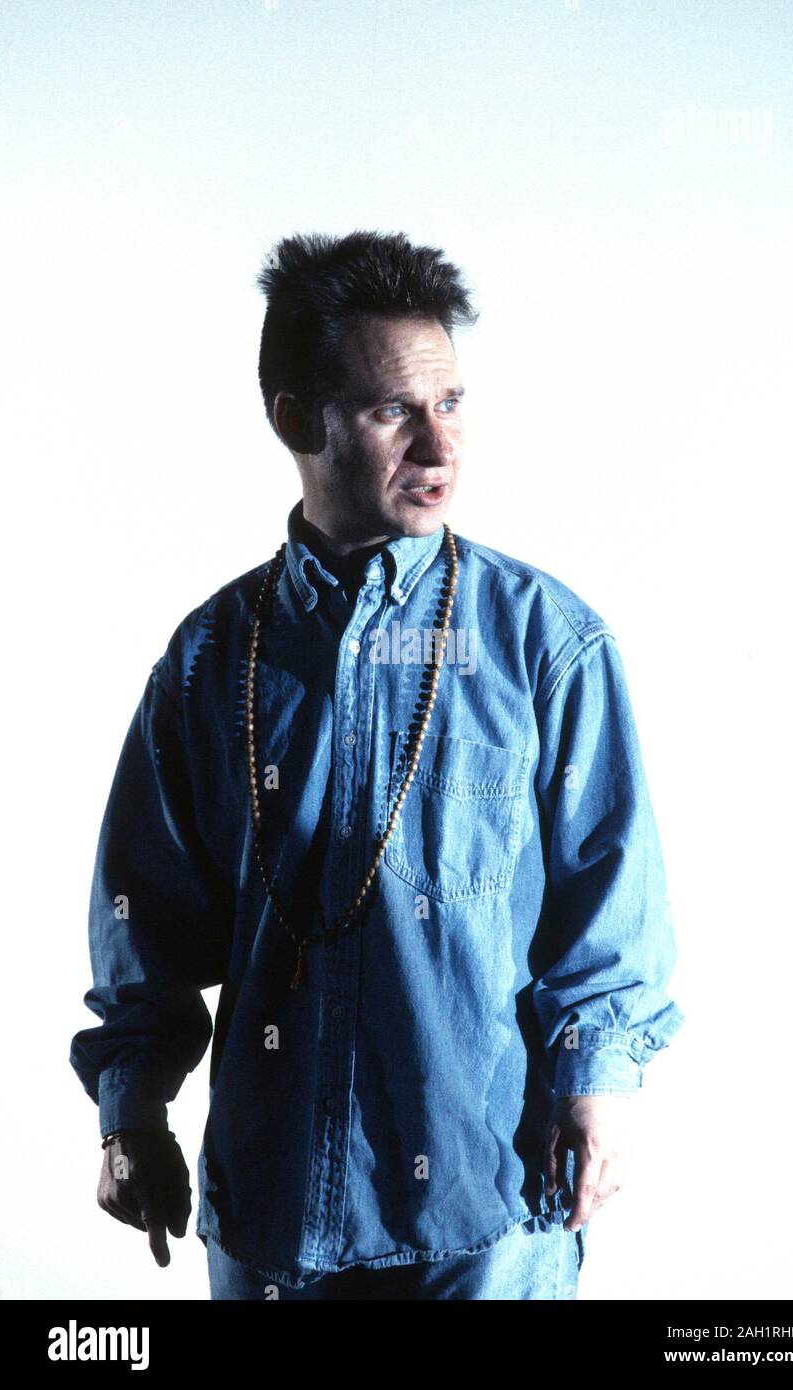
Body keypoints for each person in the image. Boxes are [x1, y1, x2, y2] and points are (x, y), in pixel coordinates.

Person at [70, 230, 685, 1301]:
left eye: (452, 403)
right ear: (293, 418)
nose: (437, 446)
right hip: (272, 1221)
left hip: (485, 1217)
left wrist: (598, 1085)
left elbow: (609, 897)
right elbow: (144, 917)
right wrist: (131, 1112)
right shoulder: (212, 660)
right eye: (393, 409)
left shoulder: (544, 645)